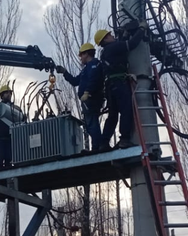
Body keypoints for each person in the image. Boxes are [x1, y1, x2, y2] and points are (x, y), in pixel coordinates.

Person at [94, 21, 147, 150]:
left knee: (113, 115)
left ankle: (104, 142)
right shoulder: (112, 48)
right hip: (119, 84)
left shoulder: (106, 51)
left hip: (110, 86)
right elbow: (132, 44)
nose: (113, 36)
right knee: (125, 110)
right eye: (110, 35)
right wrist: (141, 29)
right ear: (106, 38)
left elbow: (120, 47)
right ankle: (124, 140)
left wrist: (124, 34)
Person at [55, 43, 104, 151]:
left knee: (92, 123)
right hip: (87, 100)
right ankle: (97, 145)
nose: (80, 58)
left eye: (81, 55)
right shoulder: (86, 69)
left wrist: (87, 92)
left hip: (92, 99)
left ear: (87, 53)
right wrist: (65, 72)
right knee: (90, 124)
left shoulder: (94, 65)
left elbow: (94, 80)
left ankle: (98, 146)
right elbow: (75, 81)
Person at [0, 85, 26, 169]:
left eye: (10, 93)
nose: (9, 95)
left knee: (9, 160)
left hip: (11, 139)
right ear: (2, 95)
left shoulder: (16, 109)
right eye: (6, 93)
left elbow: (22, 122)